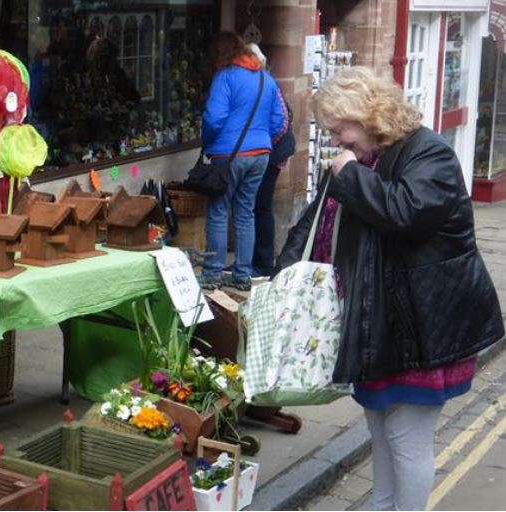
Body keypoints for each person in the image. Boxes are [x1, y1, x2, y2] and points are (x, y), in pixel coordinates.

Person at [276, 67, 504, 510]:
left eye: (338, 127)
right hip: (380, 323)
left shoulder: (429, 155)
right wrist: (283, 276)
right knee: (380, 429)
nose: (336, 139)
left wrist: (349, 177)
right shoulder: (360, 162)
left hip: (423, 327)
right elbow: (316, 224)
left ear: (365, 114)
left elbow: (406, 213)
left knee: (404, 436)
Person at [200, 32, 288, 291]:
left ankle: (213, 272)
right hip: (260, 154)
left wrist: (208, 142)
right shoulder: (266, 80)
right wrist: (260, 139)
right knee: (245, 212)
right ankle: (242, 274)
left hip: (228, 155)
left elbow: (214, 118)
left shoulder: (225, 77)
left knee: (217, 211)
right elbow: (278, 121)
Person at [245, 43, 295, 277]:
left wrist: (259, 147)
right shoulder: (259, 82)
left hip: (269, 154)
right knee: (255, 206)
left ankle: (262, 263)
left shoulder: (265, 83)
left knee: (260, 206)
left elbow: (281, 122)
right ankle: (255, 262)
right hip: (267, 152)